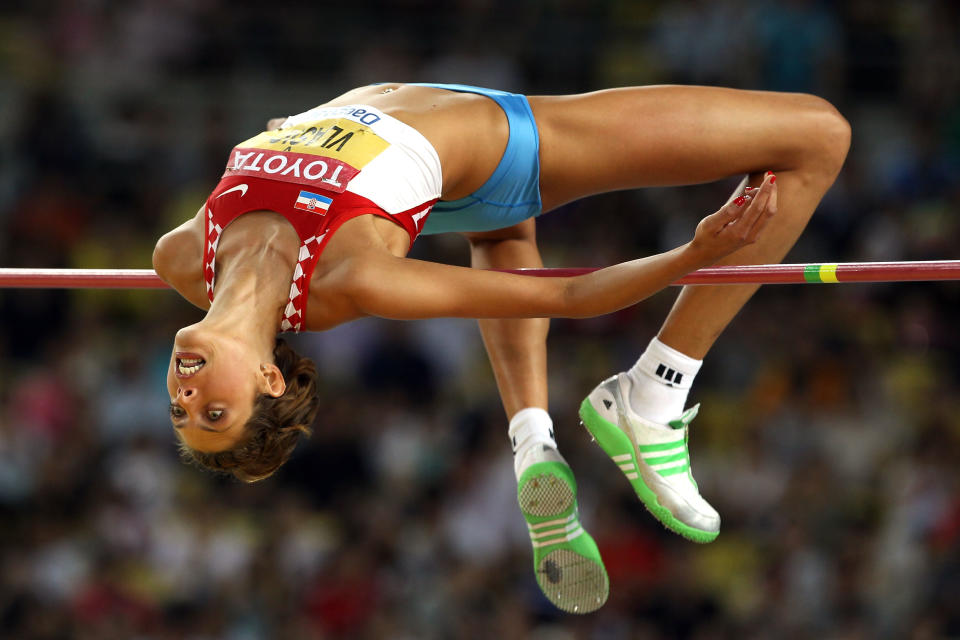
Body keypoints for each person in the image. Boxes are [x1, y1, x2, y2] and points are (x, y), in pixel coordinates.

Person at [152, 82, 848, 614]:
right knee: (819, 135)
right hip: (504, 150)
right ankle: (655, 391)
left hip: (435, 150)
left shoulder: (182, 257)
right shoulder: (351, 277)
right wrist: (692, 253)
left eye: (182, 413)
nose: (185, 399)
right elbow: (569, 297)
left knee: (502, 238)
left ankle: (531, 435)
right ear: (270, 378)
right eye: (214, 414)